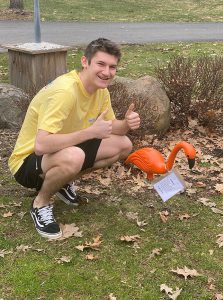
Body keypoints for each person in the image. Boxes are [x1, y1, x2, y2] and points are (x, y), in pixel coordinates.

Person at [8, 38, 140, 239]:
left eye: (112, 67)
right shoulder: (66, 91)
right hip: (27, 161)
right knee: (74, 157)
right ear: (85, 62)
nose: (107, 72)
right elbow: (41, 145)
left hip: (62, 150)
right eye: (101, 64)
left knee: (123, 145)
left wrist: (126, 124)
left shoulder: (100, 90)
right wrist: (90, 133)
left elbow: (113, 128)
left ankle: (61, 182)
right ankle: (40, 203)